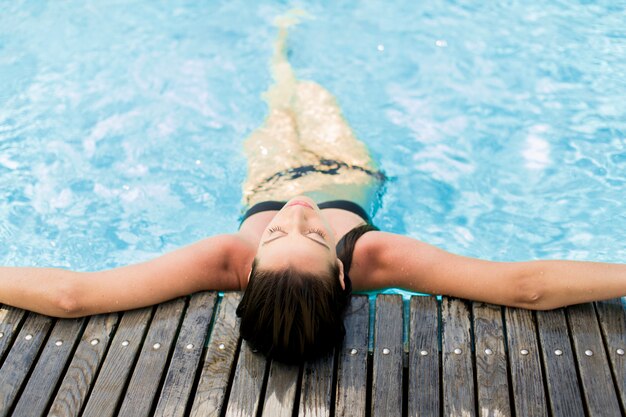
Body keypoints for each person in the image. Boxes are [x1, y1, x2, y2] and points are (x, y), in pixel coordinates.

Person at [1, 12, 625, 364]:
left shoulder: (227, 258)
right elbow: (528, 287)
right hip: (340, 165)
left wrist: (271, 203)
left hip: (266, 173)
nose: (299, 216)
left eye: (276, 234)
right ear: (343, 273)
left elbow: (73, 295)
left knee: (280, 95)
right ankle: (288, 42)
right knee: (315, 98)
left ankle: (281, 39)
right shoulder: (376, 258)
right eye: (315, 237)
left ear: (248, 270)